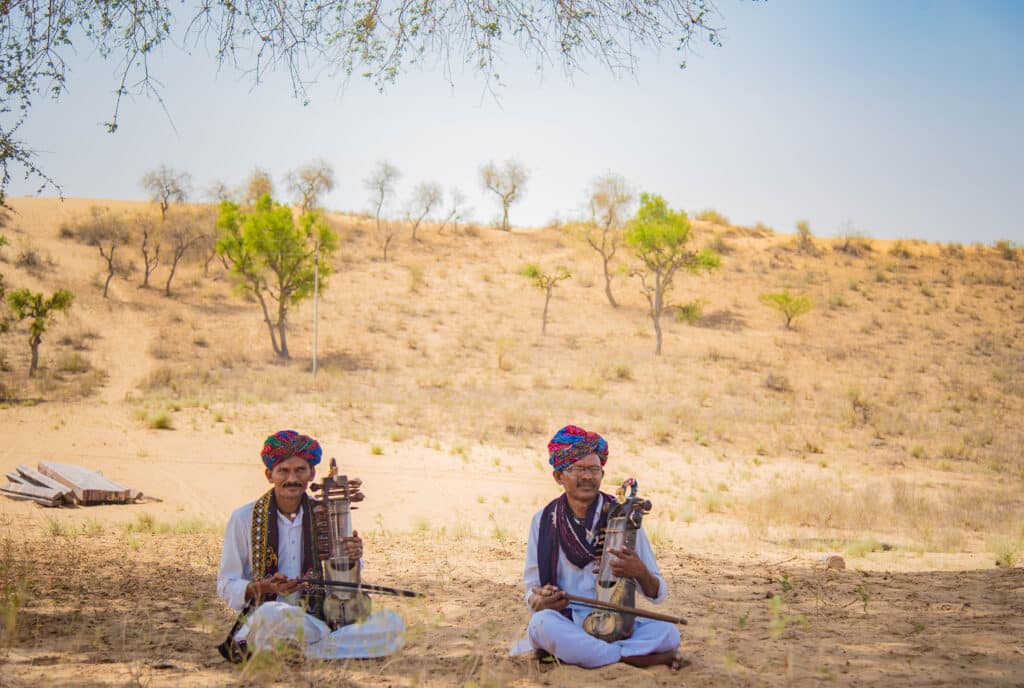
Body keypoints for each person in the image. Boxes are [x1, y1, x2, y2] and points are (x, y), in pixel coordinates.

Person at [217, 429, 405, 661]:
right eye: (283, 471)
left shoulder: (330, 514)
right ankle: (328, 647)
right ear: (269, 474)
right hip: (269, 616)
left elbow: (345, 586)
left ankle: (304, 650)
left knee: (393, 625)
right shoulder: (244, 518)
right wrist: (266, 588)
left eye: (300, 470)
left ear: (312, 473)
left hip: (317, 620)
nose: (292, 479)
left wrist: (352, 558)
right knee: (270, 614)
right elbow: (227, 585)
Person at [510, 425, 685, 669]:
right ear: (558, 477)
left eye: (594, 469)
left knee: (668, 633)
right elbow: (532, 592)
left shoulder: (624, 516)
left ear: (602, 474)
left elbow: (657, 594)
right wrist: (541, 599)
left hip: (618, 625)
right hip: (567, 622)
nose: (587, 476)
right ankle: (630, 658)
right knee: (541, 624)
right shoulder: (543, 520)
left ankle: (592, 655)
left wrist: (640, 572)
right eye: (577, 469)